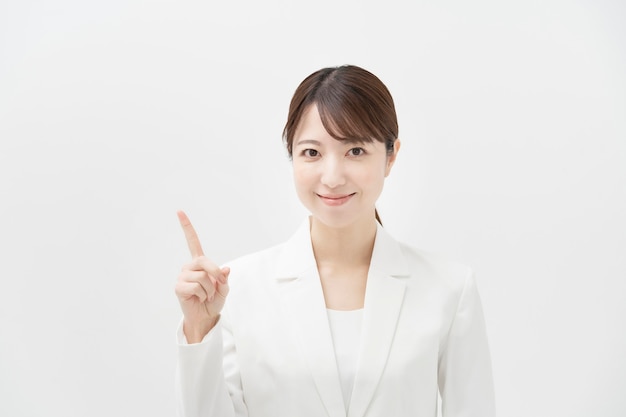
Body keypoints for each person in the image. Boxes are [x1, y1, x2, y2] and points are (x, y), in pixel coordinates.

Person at [174, 65, 495, 417]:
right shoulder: (238, 287)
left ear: (391, 156)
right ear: (292, 156)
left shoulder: (448, 288)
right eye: (312, 152)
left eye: (355, 151)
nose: (332, 176)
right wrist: (199, 327)